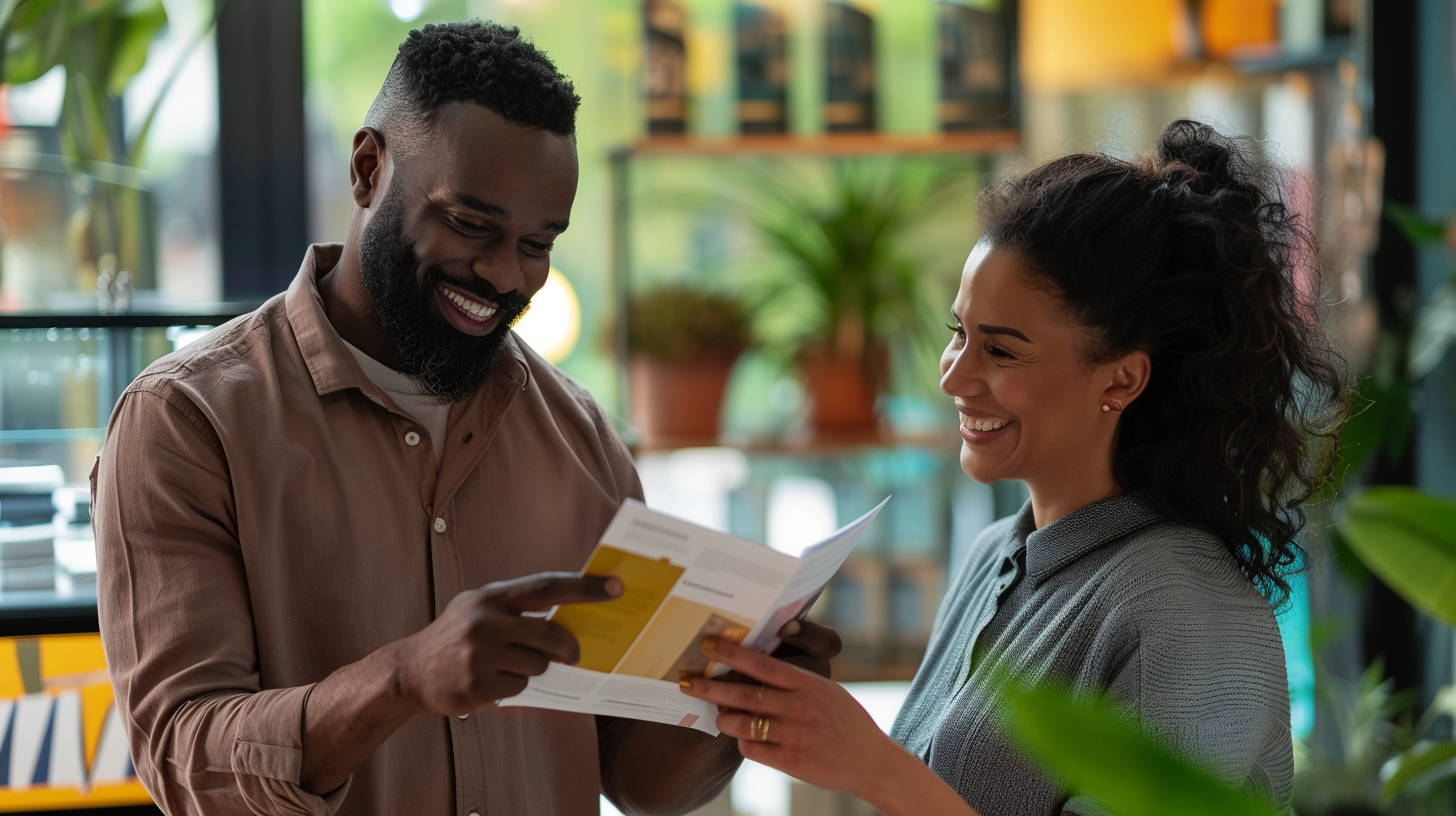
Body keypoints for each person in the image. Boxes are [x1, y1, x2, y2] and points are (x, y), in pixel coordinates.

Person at [92, 21, 840, 816]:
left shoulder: (579, 437)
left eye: (538, 243)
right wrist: (403, 680)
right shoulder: (186, 421)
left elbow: (635, 777)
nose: (504, 274)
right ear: (368, 168)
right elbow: (181, 754)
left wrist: (744, 699)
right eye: (472, 225)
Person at [680, 119, 1347, 816]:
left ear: (1121, 381)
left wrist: (874, 766)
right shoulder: (995, 557)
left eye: (1000, 352)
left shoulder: (1180, 609)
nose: (954, 377)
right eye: (958, 334)